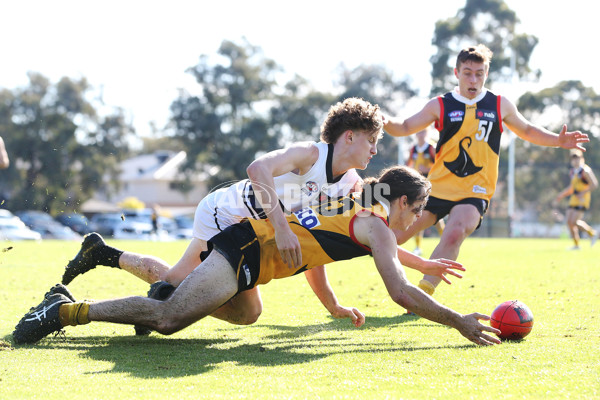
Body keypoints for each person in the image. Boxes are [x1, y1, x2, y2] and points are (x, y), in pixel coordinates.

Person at [13, 165, 501, 346]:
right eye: (416, 210)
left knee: (247, 315)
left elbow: (316, 256)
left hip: (255, 261)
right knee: (168, 319)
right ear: (398, 202)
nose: (417, 220)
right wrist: (457, 320)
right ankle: (63, 312)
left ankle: (151, 282)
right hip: (246, 247)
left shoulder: (359, 206)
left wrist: (331, 307)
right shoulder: (376, 226)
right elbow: (399, 293)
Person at [61, 98, 384, 331]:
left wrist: (332, 305)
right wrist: (282, 227)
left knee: (247, 313)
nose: (374, 149)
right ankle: (111, 279)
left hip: (247, 236)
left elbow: (321, 247)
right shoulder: (309, 154)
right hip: (223, 215)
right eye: (371, 140)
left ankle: (103, 253)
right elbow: (257, 169)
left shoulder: (350, 186)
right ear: (349, 136)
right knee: (172, 284)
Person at [384, 44, 589, 305]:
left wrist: (557, 141)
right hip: (437, 188)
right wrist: (383, 120)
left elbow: (527, 130)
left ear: (486, 74)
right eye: (467, 73)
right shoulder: (441, 104)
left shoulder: (499, 104)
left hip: (475, 191)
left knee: (455, 231)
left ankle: (422, 296)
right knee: (391, 238)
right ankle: (399, 283)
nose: (473, 79)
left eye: (479, 74)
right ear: (456, 72)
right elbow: (404, 126)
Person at [405, 126, 445, 255]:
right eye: (418, 132)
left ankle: (445, 242)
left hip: (430, 186)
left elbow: (440, 166)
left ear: (426, 133)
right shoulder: (413, 149)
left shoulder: (431, 148)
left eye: (423, 132)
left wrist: (427, 169)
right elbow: (409, 165)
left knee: (435, 216)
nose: (420, 134)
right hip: (417, 187)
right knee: (417, 214)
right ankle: (418, 247)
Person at [555, 149, 598, 249]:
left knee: (574, 221)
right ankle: (576, 245)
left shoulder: (585, 170)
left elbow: (594, 184)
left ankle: (592, 233)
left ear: (582, 159)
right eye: (573, 159)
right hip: (574, 199)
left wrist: (582, 193)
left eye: (577, 158)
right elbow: (571, 188)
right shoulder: (573, 172)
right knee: (569, 222)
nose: (575, 161)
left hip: (583, 199)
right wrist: (561, 195)